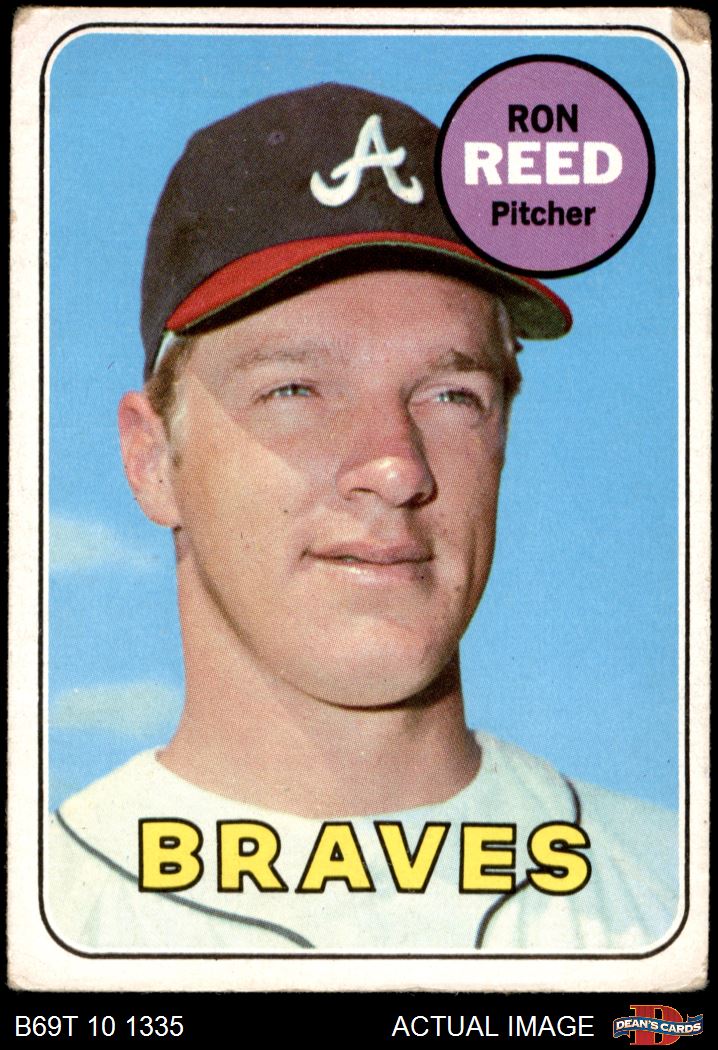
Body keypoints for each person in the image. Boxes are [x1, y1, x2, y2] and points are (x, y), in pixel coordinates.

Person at [45, 83, 678, 953]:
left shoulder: (673, 894)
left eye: (452, 394)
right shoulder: (43, 917)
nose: (395, 466)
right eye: (294, 389)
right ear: (153, 461)